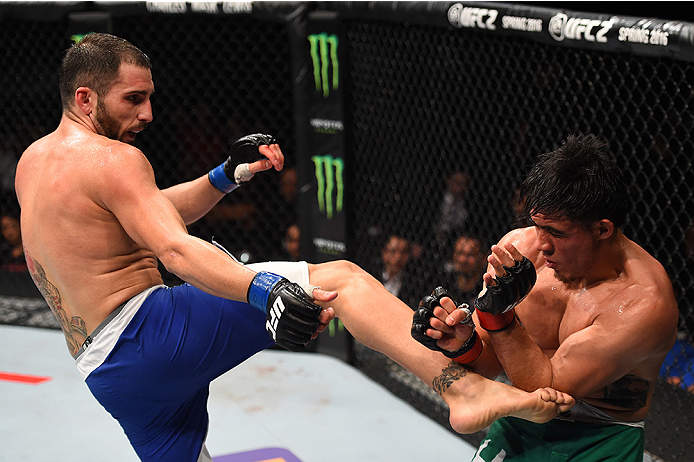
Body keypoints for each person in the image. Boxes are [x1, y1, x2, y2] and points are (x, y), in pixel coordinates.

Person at [15, 33, 573, 462]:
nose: (148, 115)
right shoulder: (115, 160)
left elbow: (141, 216)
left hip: (105, 374)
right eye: (133, 99)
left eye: (151, 98)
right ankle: (459, 387)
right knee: (346, 280)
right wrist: (265, 289)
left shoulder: (35, 162)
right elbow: (175, 249)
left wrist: (223, 176)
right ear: (86, 96)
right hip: (147, 333)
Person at [415, 134, 679, 461]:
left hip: (602, 435)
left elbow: (547, 387)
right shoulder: (522, 251)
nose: (541, 243)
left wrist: (500, 317)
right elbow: (488, 363)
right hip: (520, 419)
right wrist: (460, 341)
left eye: (556, 232)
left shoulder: (643, 302)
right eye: (537, 224)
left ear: (603, 229)